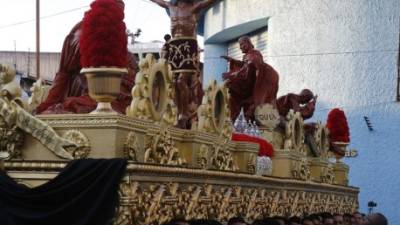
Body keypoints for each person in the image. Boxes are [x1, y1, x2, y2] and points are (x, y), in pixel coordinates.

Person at [36, 0, 136, 115]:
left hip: (111, 103)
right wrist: (46, 106)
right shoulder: (80, 33)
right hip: (108, 103)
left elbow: (63, 74)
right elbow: (64, 74)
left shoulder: (81, 33)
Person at [150, 0, 216, 128]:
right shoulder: (170, 6)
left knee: (181, 81)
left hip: (188, 45)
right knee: (174, 82)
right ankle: (178, 114)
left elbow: (207, 2)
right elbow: (159, 2)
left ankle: (183, 115)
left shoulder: (194, 7)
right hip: (175, 46)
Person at [221, 36, 279, 121]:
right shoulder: (246, 56)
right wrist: (232, 60)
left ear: (248, 43)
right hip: (244, 78)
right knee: (227, 80)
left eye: (242, 44)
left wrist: (249, 64)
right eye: (240, 46)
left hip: (250, 81)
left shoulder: (255, 53)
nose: (240, 47)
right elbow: (244, 65)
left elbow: (257, 64)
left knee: (230, 80)